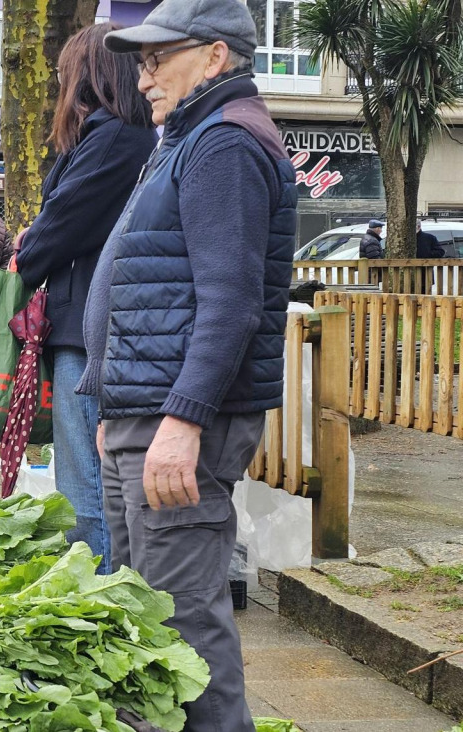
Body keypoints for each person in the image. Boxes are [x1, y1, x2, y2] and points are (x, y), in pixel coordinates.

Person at [87, 2, 298, 729]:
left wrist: (181, 421)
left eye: (157, 59)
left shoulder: (225, 145)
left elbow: (231, 303)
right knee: (146, 624)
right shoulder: (190, 137)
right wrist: (114, 407)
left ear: (214, 57)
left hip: (178, 426)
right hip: (144, 417)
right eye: (139, 62)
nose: (142, 77)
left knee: (180, 626)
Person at [15, 22, 157, 574]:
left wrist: (27, 253)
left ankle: (98, 597)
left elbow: (61, 226)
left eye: (65, 75)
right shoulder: (118, 135)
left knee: (86, 484)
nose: (60, 87)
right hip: (85, 323)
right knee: (86, 478)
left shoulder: (116, 137)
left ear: (90, 75)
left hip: (87, 330)